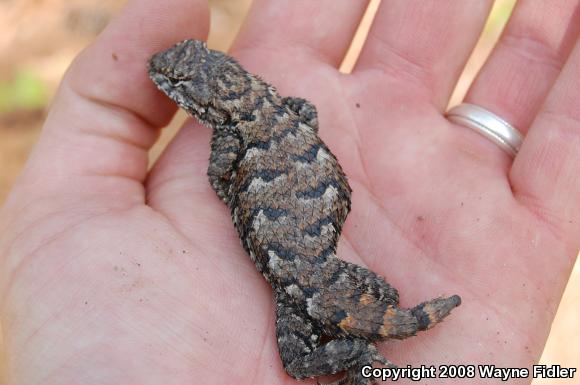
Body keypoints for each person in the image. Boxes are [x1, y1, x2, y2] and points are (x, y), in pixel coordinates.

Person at [0, 1, 578, 384]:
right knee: (382, 302)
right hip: (317, 246)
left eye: (176, 83)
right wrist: (287, 152)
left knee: (300, 364)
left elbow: (216, 179)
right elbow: (303, 112)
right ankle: (380, 334)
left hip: (300, 274)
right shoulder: (280, 105)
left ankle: (365, 356)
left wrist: (240, 176)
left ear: (205, 100)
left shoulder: (230, 141)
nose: (166, 84)